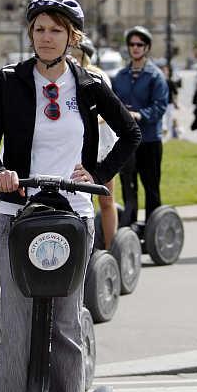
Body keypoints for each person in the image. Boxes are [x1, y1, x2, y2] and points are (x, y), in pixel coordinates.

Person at [0, 0, 140, 392]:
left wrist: (99, 172)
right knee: (17, 325)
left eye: (56, 30)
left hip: (73, 217)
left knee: (66, 325)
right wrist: (0, 171)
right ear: (30, 33)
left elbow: (130, 132)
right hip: (18, 215)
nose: (46, 38)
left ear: (72, 36)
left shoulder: (88, 85)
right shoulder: (9, 81)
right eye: (39, 29)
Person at [111, 25, 168, 229]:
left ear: (147, 48)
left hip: (150, 140)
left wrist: (138, 115)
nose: (135, 48)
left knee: (150, 186)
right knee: (128, 185)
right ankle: (129, 223)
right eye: (132, 44)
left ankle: (154, 227)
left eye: (139, 44)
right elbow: (114, 102)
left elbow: (160, 106)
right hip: (127, 141)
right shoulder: (120, 76)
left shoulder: (155, 76)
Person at [70, 37, 118, 249]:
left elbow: (108, 112)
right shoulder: (64, 77)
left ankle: (110, 249)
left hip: (101, 147)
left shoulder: (97, 76)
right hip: (75, 148)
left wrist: (87, 119)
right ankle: (82, 253)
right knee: (80, 202)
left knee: (106, 199)